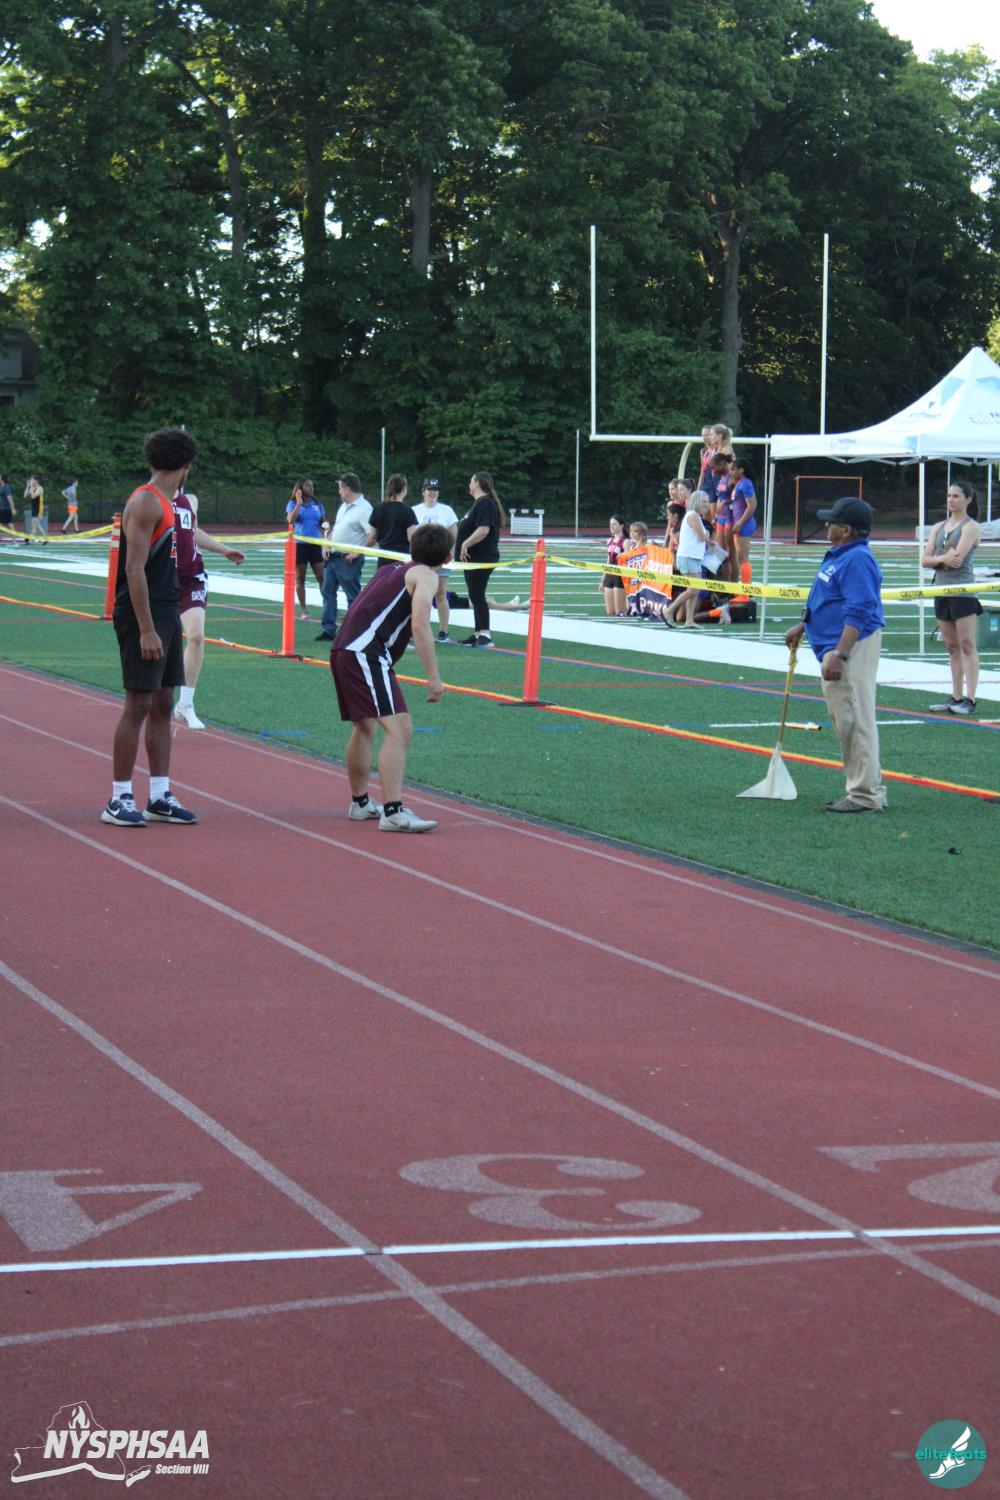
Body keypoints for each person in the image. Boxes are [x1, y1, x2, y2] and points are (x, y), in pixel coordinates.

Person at [102, 428, 199, 828]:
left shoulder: (167, 503)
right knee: (138, 702)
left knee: (163, 702)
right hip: (143, 613)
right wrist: (146, 628)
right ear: (185, 467)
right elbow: (133, 568)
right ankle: (119, 797)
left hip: (166, 609)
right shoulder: (146, 501)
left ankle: (159, 795)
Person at [330, 522, 451, 832]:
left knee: (365, 725)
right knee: (400, 728)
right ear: (448, 557)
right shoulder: (426, 575)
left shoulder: (390, 570)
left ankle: (360, 803)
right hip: (365, 653)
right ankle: (393, 811)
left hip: (344, 648)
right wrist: (434, 676)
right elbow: (420, 626)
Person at [784, 496, 886, 813]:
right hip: (836, 645)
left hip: (850, 646)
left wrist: (840, 654)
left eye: (832, 522)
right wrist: (804, 624)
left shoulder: (856, 559)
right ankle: (866, 788)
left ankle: (865, 795)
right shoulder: (843, 555)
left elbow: (860, 609)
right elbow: (828, 598)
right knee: (847, 718)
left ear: (847, 529)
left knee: (854, 719)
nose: (826, 525)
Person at [171, 488, 246, 729]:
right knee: (161, 644)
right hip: (163, 578)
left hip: (191, 578)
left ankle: (185, 704)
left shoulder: (189, 500)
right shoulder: (150, 498)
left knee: (196, 637)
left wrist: (224, 550)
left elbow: (193, 532)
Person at [923, 479, 983, 716]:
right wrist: (942, 558)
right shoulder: (938, 527)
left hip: (962, 592)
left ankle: (970, 699)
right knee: (951, 646)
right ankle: (955, 696)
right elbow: (925, 560)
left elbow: (956, 560)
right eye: (949, 495)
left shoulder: (970, 527)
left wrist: (938, 558)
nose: (951, 500)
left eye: (956, 496)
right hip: (941, 590)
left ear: (968, 499)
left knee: (967, 644)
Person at [447, 471, 506, 647]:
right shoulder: (478, 503)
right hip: (473, 558)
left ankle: (485, 635)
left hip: (482, 557)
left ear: (478, 483)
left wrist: (465, 544)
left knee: (477, 595)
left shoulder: (485, 502)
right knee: (474, 594)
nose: (469, 484)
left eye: (471, 481)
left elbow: (483, 530)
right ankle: (478, 632)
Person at [316, 472, 372, 642]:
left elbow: (372, 535)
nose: (339, 492)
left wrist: (358, 552)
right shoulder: (344, 506)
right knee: (327, 593)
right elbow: (334, 529)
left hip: (348, 560)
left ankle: (354, 631)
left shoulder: (364, 509)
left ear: (347, 489)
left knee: (353, 597)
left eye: (340, 488)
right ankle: (329, 629)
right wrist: (326, 545)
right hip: (333, 557)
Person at [411, 479, 459, 641]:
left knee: (440, 594)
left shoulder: (447, 510)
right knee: (417, 594)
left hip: (441, 557)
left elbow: (454, 533)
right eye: (430, 489)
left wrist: (450, 553)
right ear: (423, 492)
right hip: (421, 558)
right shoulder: (415, 510)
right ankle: (416, 628)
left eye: (435, 490)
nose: (433, 493)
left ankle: (443, 631)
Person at [664, 492, 711, 627]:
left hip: (694, 557)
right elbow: (702, 537)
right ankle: (669, 610)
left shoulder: (694, 516)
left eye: (707, 502)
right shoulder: (693, 516)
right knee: (693, 589)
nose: (706, 505)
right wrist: (707, 535)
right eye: (703, 502)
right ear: (696, 502)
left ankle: (689, 620)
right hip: (688, 557)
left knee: (695, 588)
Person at [286, 479, 326, 620]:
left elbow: (323, 522)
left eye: (312, 486)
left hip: (315, 544)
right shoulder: (292, 504)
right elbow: (290, 520)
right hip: (300, 545)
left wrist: (326, 527)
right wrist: (298, 503)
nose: (311, 488)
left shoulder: (318, 505)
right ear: (300, 488)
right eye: (308, 486)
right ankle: (304, 609)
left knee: (322, 577)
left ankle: (328, 606)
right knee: (300, 578)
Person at [365, 473, 418, 570]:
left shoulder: (378, 508)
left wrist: (360, 550)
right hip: (401, 560)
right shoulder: (408, 511)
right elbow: (412, 539)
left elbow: (372, 537)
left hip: (383, 559)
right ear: (404, 490)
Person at [600, 514, 629, 616]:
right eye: (610, 524)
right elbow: (608, 561)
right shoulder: (609, 541)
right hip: (609, 575)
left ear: (621, 526)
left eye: (614, 524)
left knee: (619, 612)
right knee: (610, 612)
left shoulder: (626, 542)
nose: (611, 527)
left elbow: (629, 562)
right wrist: (602, 580)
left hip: (620, 577)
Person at [23, 474, 46, 544]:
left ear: (36, 481)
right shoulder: (32, 487)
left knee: (34, 525)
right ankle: (46, 539)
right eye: (31, 480)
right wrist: (27, 486)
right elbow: (25, 495)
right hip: (34, 508)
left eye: (32, 480)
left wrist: (31, 487)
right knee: (37, 525)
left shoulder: (40, 488)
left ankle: (30, 540)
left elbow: (33, 496)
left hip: (39, 508)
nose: (31, 481)